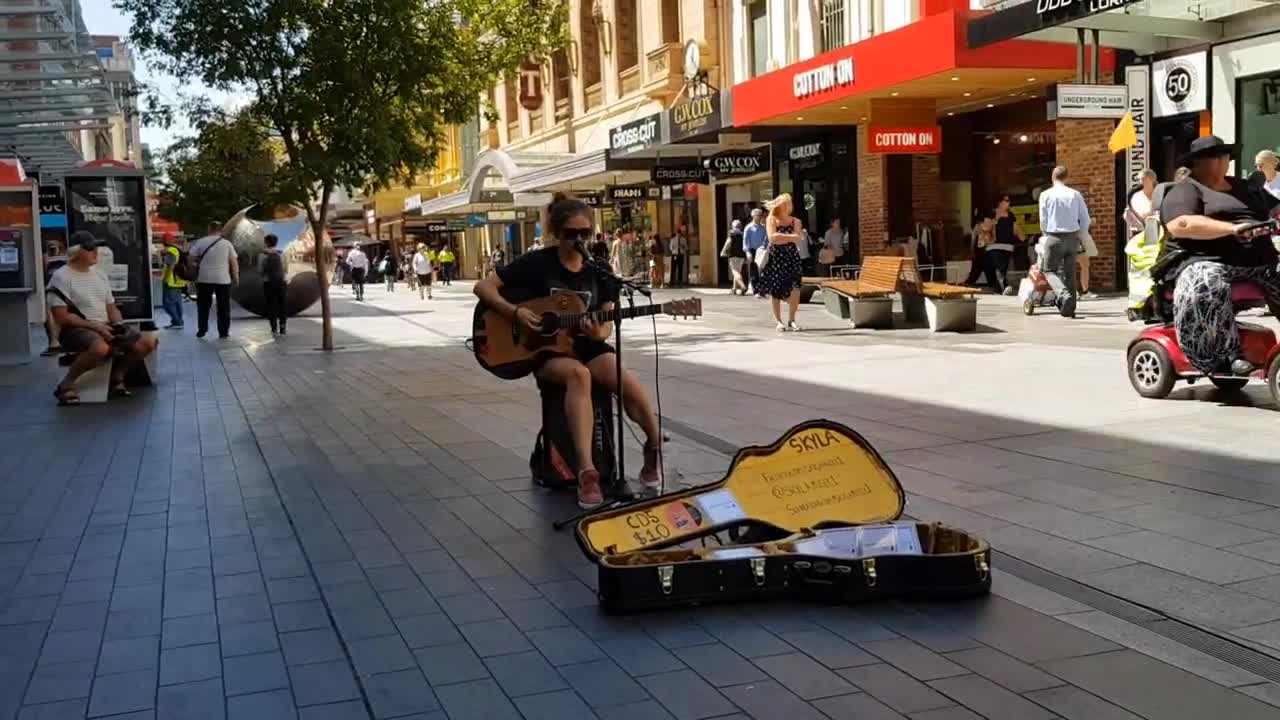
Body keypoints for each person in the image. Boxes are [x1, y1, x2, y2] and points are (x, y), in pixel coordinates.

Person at [473, 194, 664, 509]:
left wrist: (598, 332)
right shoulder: (538, 263)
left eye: (585, 233)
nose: (578, 240)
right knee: (579, 375)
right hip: (545, 350)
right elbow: (483, 287)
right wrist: (516, 313)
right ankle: (587, 472)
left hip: (585, 343)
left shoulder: (599, 270)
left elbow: (607, 322)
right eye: (570, 234)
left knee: (624, 379)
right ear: (556, 233)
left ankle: (653, 446)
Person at [1161, 135, 1280, 376]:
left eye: (1223, 156)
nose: (1221, 161)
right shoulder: (1186, 189)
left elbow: (1277, 210)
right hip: (1208, 261)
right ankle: (1225, 355)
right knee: (1206, 281)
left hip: (1261, 262)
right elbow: (1180, 224)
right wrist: (1232, 229)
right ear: (1196, 163)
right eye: (1213, 157)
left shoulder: (1246, 188)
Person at [47, 232, 158, 405]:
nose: (96, 251)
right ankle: (67, 384)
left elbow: (111, 307)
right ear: (76, 252)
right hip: (75, 329)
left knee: (147, 342)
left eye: (96, 247)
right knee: (100, 348)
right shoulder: (61, 277)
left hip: (105, 325)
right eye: (90, 248)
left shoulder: (100, 274)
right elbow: (61, 317)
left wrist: (119, 325)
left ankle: (117, 376)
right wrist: (96, 327)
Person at [1038, 165, 1090, 318]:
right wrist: (1080, 234)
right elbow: (1085, 219)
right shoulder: (1075, 194)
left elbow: (1043, 220)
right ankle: (1069, 309)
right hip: (1072, 237)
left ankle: (1062, 294)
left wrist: (1045, 235)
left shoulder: (1045, 195)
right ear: (1067, 178)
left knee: (1048, 270)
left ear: (1052, 177)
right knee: (1070, 274)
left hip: (1054, 237)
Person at [759, 194, 805, 332]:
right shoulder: (771, 219)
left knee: (795, 288)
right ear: (778, 205)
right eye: (784, 204)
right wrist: (790, 237)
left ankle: (792, 320)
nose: (786, 206)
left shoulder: (795, 221)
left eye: (788, 203)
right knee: (776, 289)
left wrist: (782, 237)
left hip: (792, 257)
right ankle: (778, 321)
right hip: (776, 258)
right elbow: (772, 238)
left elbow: (798, 238)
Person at [188, 221, 238, 339]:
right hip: (223, 279)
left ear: (209, 229)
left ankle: (202, 329)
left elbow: (190, 259)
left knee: (203, 305)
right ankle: (223, 332)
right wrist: (236, 276)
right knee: (223, 306)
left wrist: (194, 269)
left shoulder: (201, 242)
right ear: (220, 230)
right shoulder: (227, 243)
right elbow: (233, 261)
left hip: (204, 278)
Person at [987, 195, 1024, 295]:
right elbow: (986, 227)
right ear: (999, 202)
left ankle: (999, 288)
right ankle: (1004, 285)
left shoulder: (1010, 215)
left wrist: (1022, 236)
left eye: (1009, 201)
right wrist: (996, 218)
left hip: (1007, 245)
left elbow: (1015, 227)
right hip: (994, 245)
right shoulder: (992, 213)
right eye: (1006, 200)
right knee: (999, 266)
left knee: (1002, 266)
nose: (1008, 203)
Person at [257, 233, 288, 335]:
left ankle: (274, 328)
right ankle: (283, 327)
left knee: (271, 305)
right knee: (282, 305)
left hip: (268, 282)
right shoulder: (282, 254)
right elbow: (285, 269)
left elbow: (260, 270)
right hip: (281, 282)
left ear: (266, 242)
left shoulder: (262, 255)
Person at [159, 234, 185, 330]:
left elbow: (170, 265)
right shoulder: (179, 249)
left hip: (171, 281)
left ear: (165, 241)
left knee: (168, 304)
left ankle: (177, 321)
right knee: (177, 303)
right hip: (179, 280)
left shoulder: (171, 251)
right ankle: (178, 322)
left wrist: (165, 278)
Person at [743, 208, 767, 297]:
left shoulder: (763, 228)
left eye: (760, 215)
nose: (759, 217)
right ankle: (756, 291)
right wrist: (747, 252)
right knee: (754, 271)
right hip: (752, 250)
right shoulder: (748, 227)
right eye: (758, 215)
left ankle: (762, 290)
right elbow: (745, 241)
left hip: (761, 250)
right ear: (753, 216)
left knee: (763, 270)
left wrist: (764, 247)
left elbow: (765, 239)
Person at [722, 220, 748, 295]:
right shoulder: (743, 234)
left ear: (733, 226)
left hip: (733, 255)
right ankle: (734, 289)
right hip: (741, 255)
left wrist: (723, 251)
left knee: (735, 271)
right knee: (738, 271)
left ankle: (742, 286)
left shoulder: (731, 233)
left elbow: (728, 242)